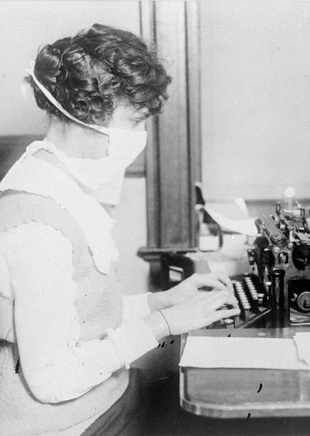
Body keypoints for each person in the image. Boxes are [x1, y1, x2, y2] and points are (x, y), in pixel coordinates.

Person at [0, 24, 240, 436]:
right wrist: (164, 325)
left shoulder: (63, 184)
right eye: (134, 121)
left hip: (102, 399)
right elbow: (53, 380)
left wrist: (162, 302)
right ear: (87, 114)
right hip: (70, 424)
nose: (140, 137)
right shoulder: (37, 224)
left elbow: (80, 318)